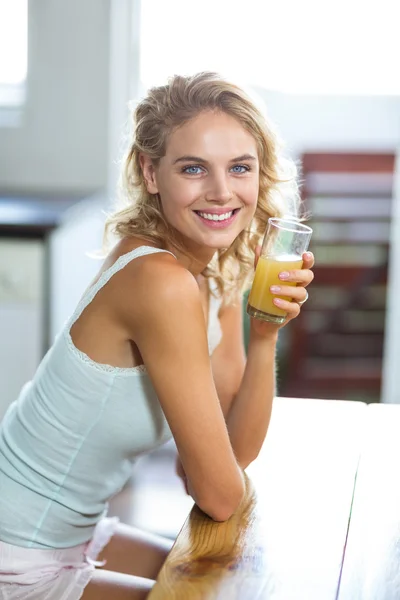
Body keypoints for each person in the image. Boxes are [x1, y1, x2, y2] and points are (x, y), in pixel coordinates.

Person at [0, 72, 314, 600]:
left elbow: (225, 461)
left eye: (240, 168)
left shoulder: (216, 272)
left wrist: (265, 337)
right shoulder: (159, 281)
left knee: (229, 579)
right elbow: (217, 494)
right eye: (193, 168)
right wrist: (216, 476)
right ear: (151, 172)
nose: (221, 192)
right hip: (18, 550)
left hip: (71, 534)